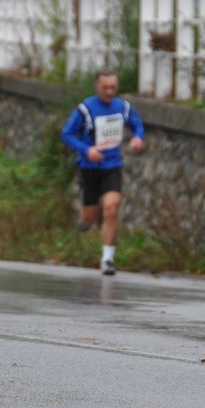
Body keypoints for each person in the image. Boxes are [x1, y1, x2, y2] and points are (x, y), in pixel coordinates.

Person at [61, 70, 146, 275]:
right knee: (90, 219)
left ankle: (108, 259)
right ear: (97, 86)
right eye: (105, 87)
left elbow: (137, 125)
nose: (109, 91)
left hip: (112, 166)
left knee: (111, 208)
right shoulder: (85, 109)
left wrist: (138, 138)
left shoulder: (122, 107)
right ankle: (88, 219)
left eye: (113, 88)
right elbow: (67, 134)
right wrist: (87, 150)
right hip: (89, 168)